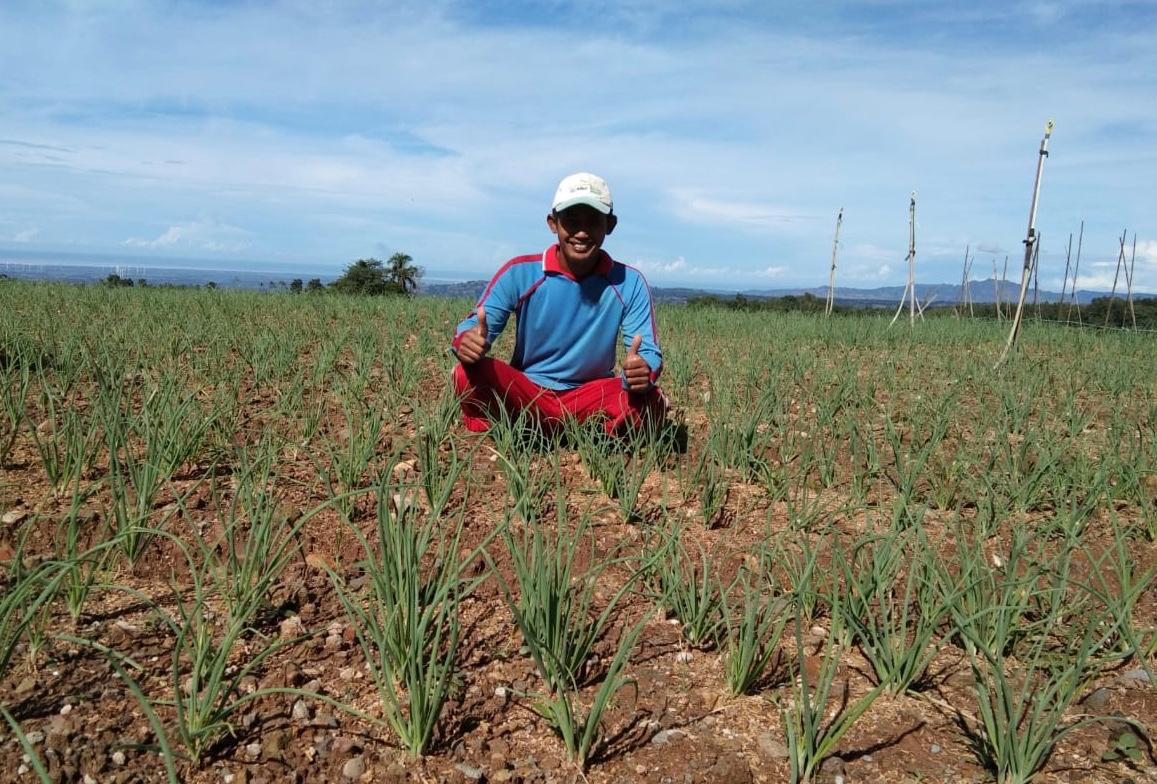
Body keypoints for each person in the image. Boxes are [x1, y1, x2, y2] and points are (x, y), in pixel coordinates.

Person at [450, 172, 666, 437]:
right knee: (466, 374)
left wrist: (642, 370)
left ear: (610, 225)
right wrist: (467, 340)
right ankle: (528, 431)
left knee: (649, 399)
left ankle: (547, 432)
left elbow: (647, 352)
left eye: (593, 222)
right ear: (553, 223)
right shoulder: (520, 273)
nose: (582, 232)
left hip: (591, 396)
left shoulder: (629, 282)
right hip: (528, 391)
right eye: (571, 221)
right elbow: (474, 326)